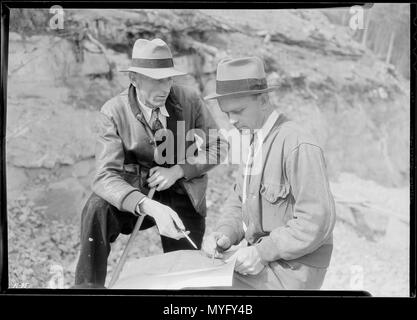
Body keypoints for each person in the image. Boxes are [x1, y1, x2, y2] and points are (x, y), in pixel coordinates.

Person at [74, 38, 226, 288]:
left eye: (168, 79)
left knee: (185, 271)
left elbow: (219, 145)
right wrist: (145, 204)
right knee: (97, 207)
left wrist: (179, 170)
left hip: (182, 190)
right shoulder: (113, 111)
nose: (165, 87)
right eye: (156, 79)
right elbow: (104, 176)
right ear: (134, 78)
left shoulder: (189, 100)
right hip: (136, 191)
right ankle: (87, 289)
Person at [202, 56, 336, 290]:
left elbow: (316, 220)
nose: (232, 121)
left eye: (239, 111)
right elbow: (238, 202)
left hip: (294, 269)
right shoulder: (253, 140)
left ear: (263, 99)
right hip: (268, 260)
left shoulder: (297, 143)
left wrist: (262, 252)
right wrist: (224, 235)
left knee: (201, 289)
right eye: (226, 113)